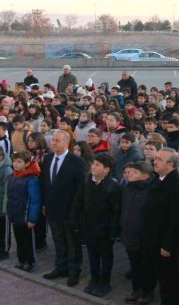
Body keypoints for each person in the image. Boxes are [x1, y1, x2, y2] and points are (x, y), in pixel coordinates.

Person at [142, 148, 179, 305]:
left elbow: (177, 220)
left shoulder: (178, 187)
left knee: (169, 282)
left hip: (166, 245)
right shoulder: (158, 179)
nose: (154, 162)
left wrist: (167, 245)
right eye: (155, 159)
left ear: (170, 164)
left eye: (159, 159)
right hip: (153, 239)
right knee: (158, 277)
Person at [71, 154, 121, 297]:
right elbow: (78, 202)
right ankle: (94, 279)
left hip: (105, 230)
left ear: (107, 169)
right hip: (89, 227)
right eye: (94, 164)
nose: (93, 166)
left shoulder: (113, 186)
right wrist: (75, 221)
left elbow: (116, 212)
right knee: (92, 255)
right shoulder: (87, 182)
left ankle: (105, 282)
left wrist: (113, 231)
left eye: (98, 165)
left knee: (105, 257)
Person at [41, 130, 87, 286]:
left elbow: (81, 189)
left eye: (57, 140)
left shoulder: (77, 162)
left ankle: (74, 271)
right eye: (52, 140)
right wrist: (45, 204)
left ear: (66, 142)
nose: (53, 142)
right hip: (53, 210)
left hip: (70, 211)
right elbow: (46, 184)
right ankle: (61, 267)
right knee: (58, 240)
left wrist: (78, 212)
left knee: (72, 243)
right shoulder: (47, 159)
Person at [119, 161, 154, 304]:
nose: (129, 174)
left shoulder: (151, 190)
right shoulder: (129, 187)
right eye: (129, 172)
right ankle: (136, 289)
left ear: (145, 175)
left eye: (134, 172)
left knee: (146, 266)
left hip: (143, 236)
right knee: (134, 265)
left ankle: (147, 291)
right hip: (129, 233)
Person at [6, 150, 42, 273]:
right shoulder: (12, 176)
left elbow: (35, 200)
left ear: (27, 164)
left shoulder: (31, 179)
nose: (15, 164)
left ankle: (30, 262)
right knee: (19, 239)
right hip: (15, 214)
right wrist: (8, 212)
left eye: (19, 162)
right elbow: (9, 197)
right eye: (14, 161)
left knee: (27, 240)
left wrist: (32, 218)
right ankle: (21, 261)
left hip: (25, 216)